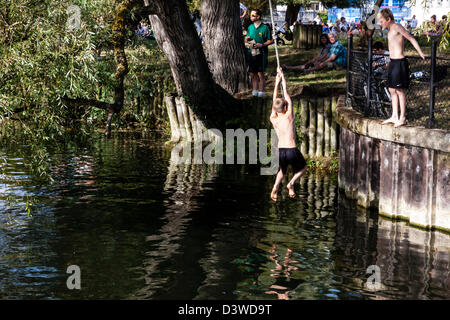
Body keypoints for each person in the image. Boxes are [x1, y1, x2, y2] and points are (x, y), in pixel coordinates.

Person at [377, 8, 425, 128]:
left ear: (388, 19)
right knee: (392, 89)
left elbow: (411, 38)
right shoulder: (389, 29)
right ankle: (394, 116)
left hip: (399, 62)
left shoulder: (397, 26)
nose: (380, 23)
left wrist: (421, 53)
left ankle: (402, 117)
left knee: (399, 90)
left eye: (382, 21)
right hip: (393, 62)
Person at [270, 68, 307, 201]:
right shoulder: (288, 116)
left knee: (282, 171)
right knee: (303, 168)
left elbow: (274, 101)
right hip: (291, 149)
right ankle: (291, 183)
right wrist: (283, 78)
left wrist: (276, 82)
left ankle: (275, 187)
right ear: (285, 108)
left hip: (280, 152)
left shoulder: (273, 118)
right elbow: (286, 95)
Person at [245, 9, 274, 98]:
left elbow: (271, 40)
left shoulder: (265, 28)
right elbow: (247, 37)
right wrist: (246, 40)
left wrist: (262, 45)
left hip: (261, 54)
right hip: (251, 53)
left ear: (258, 17)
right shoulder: (250, 27)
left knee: (260, 73)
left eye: (253, 15)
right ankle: (255, 91)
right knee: (252, 73)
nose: (251, 17)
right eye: (251, 15)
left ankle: (261, 92)